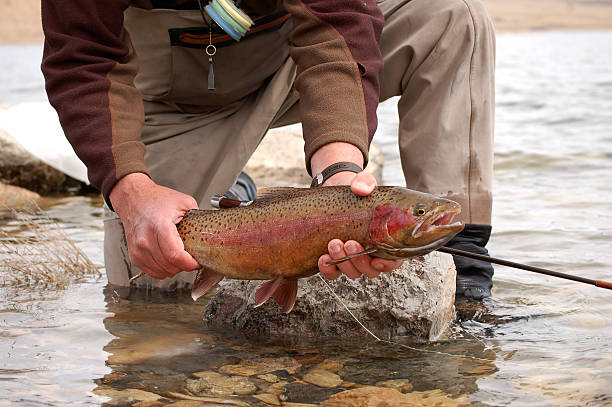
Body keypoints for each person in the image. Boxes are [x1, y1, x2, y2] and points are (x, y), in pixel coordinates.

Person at [41, 0, 495, 300]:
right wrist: (132, 193)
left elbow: (336, 21)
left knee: (454, 18)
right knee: (154, 292)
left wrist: (339, 177)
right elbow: (82, 57)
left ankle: (466, 276)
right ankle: (232, 193)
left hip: (291, 65)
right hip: (163, 104)